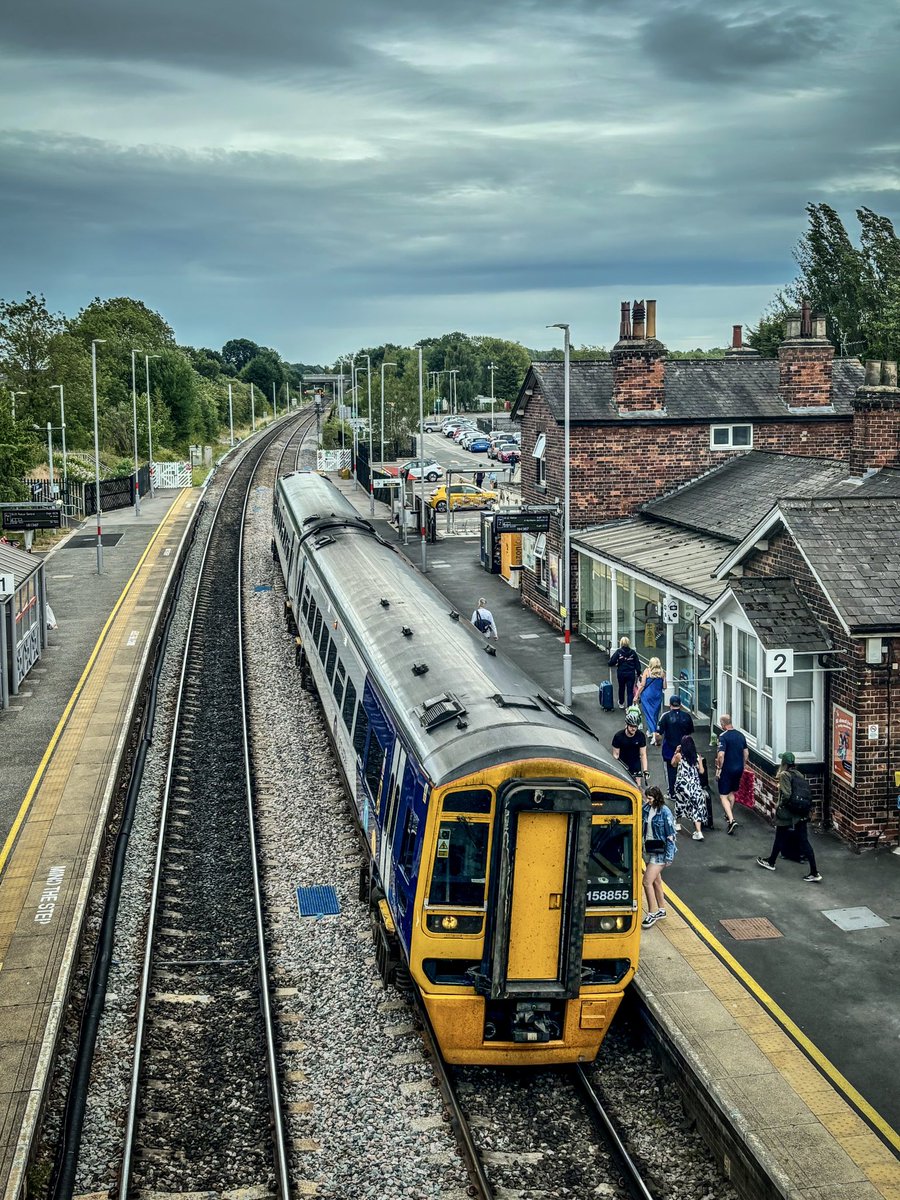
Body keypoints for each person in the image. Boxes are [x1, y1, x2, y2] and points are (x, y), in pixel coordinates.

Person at [757, 752, 822, 881]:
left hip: (788, 813)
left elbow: (786, 795)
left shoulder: (784, 775)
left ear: (784, 764)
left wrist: (780, 806)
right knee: (804, 841)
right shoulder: (799, 775)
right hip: (801, 812)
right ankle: (814, 872)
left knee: (780, 836)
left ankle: (771, 862)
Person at [641, 786, 677, 927]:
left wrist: (669, 857)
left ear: (656, 798)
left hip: (659, 853)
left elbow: (671, 836)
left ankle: (652, 913)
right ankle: (661, 909)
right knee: (656, 882)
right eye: (647, 798)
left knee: (646, 882)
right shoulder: (646, 808)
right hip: (648, 850)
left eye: (650, 798)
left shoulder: (665, 812)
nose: (647, 801)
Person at [656, 695, 694, 801]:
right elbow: (690, 732)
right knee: (685, 769)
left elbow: (658, 733)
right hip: (684, 747)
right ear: (680, 704)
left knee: (670, 770)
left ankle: (672, 793)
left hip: (669, 748)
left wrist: (658, 742)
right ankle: (685, 792)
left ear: (670, 704)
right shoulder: (687, 716)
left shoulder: (666, 716)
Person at [716, 714, 748, 835]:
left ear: (723, 724)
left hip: (727, 769)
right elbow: (746, 753)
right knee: (731, 793)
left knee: (723, 795)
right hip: (739, 768)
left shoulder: (723, 737)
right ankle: (728, 813)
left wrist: (720, 767)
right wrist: (743, 765)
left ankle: (731, 819)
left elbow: (721, 755)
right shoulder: (741, 735)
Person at [672, 735, 707, 841]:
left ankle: (677, 824)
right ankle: (698, 832)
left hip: (682, 784)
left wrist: (675, 751)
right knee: (696, 807)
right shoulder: (696, 756)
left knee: (680, 803)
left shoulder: (679, 756)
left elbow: (673, 764)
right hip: (694, 785)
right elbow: (701, 771)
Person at [611, 713, 648, 784]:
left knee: (638, 787)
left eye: (635, 726)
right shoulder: (618, 736)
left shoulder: (640, 736)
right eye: (631, 726)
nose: (633, 728)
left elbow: (643, 754)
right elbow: (615, 756)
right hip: (623, 764)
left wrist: (645, 770)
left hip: (635, 763)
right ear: (627, 725)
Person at [634, 656, 666, 733]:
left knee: (648, 714)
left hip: (647, 696)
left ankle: (653, 732)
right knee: (655, 714)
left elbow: (642, 685)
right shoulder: (662, 673)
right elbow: (664, 686)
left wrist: (636, 695)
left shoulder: (647, 671)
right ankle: (651, 730)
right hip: (657, 696)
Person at [608, 636, 641, 708]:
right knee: (630, 690)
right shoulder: (633, 652)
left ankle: (621, 702)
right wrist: (638, 673)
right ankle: (629, 706)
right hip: (631, 673)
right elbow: (637, 664)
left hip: (621, 673)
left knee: (621, 688)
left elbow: (611, 662)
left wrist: (616, 663)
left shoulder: (618, 652)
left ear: (621, 643)